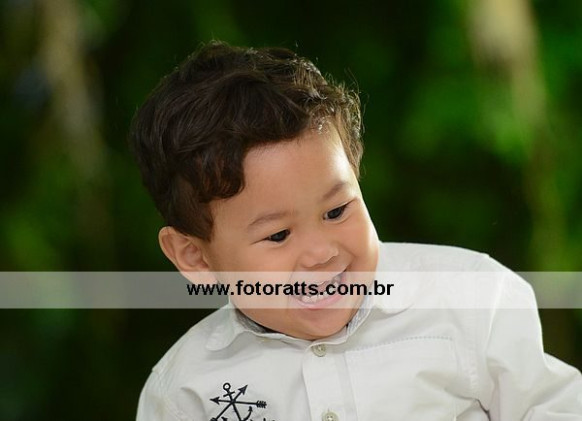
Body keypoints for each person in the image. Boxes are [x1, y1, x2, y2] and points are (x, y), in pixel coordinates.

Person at [130, 41, 582, 420]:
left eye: (336, 211)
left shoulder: (470, 301)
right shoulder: (186, 391)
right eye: (278, 235)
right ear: (195, 257)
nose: (321, 253)